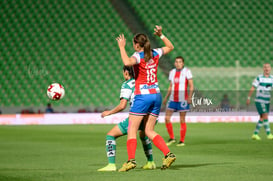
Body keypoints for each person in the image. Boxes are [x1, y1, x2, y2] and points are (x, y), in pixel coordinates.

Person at [116, 25, 175, 172]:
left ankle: (131, 160)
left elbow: (127, 63)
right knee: (148, 130)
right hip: (156, 95)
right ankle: (168, 154)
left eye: (133, 44)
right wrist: (161, 34)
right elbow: (170, 47)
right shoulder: (155, 52)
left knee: (132, 129)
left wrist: (121, 47)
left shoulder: (138, 55)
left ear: (137, 45)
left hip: (143, 96)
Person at [97, 66, 156, 171]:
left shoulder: (127, 84)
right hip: (149, 114)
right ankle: (150, 162)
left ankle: (111, 165)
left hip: (136, 115)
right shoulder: (141, 82)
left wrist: (108, 112)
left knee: (110, 135)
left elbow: (122, 105)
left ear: (126, 73)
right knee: (143, 134)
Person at [162, 56, 194, 146]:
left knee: (182, 120)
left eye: (180, 62)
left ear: (183, 63)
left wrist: (190, 97)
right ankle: (172, 138)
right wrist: (166, 97)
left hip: (183, 99)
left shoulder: (187, 71)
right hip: (172, 99)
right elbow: (171, 86)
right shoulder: (172, 72)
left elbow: (191, 86)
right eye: (176, 62)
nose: (178, 63)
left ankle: (182, 141)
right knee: (166, 118)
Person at [246, 63, 273, 140]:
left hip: (267, 100)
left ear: (270, 69)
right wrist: (248, 98)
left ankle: (255, 134)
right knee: (265, 116)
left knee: (262, 117)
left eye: (268, 67)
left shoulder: (272, 78)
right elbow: (252, 88)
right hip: (259, 100)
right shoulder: (259, 78)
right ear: (263, 69)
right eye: (265, 67)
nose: (267, 69)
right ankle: (269, 134)